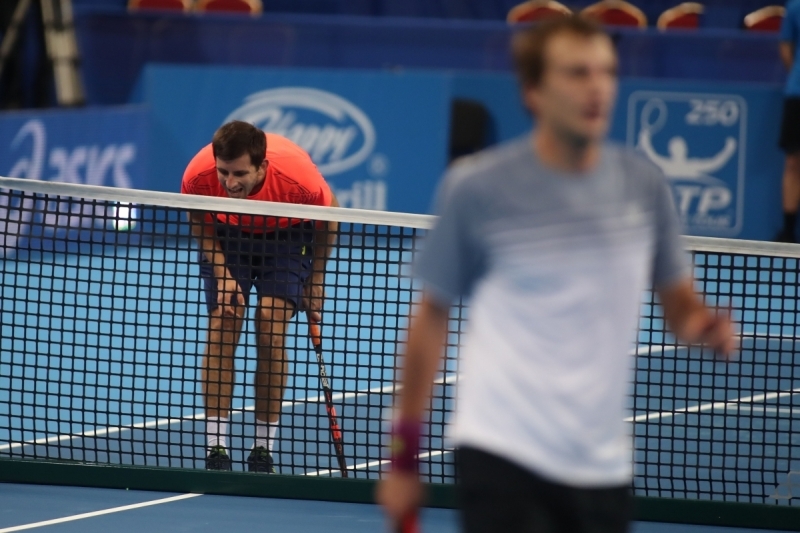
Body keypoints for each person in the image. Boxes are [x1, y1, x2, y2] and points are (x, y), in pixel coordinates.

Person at [377, 15, 734, 533]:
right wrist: (404, 457)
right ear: (534, 92)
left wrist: (703, 325)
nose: (597, 88)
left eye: (606, 72)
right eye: (577, 73)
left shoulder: (643, 187)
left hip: (601, 466)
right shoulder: (477, 187)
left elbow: (679, 305)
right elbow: (431, 318)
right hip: (501, 449)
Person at [181, 121, 338, 473]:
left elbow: (330, 220)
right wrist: (223, 275)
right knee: (224, 322)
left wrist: (315, 279)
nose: (230, 182)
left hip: (286, 236)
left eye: (240, 173)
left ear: (262, 167)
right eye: (224, 172)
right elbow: (199, 221)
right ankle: (216, 447)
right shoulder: (198, 175)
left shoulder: (298, 180)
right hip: (228, 234)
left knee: (270, 324)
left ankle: (263, 447)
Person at [776, 0, 800, 242]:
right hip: (797, 95)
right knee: (793, 161)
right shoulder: (795, 7)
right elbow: (785, 47)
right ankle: (788, 231)